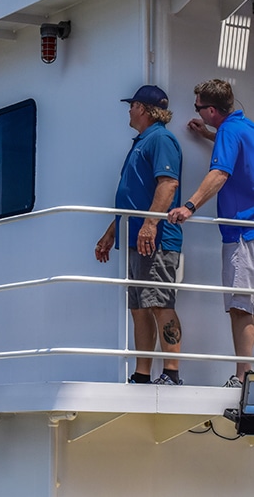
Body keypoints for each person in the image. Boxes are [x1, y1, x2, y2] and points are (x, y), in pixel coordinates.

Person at [95, 85, 184, 385]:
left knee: (160, 303)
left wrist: (151, 224)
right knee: (139, 307)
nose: (129, 111)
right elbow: (129, 196)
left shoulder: (160, 139)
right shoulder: (142, 141)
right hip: (136, 239)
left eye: (131, 105)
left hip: (155, 240)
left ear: (143, 109)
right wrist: (112, 233)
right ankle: (141, 374)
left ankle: (171, 373)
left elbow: (168, 185)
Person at [168, 79, 254, 388]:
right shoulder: (245, 128)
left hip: (242, 233)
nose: (198, 113)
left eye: (199, 109)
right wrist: (208, 136)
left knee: (241, 307)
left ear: (213, 110)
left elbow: (220, 173)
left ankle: (243, 377)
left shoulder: (229, 132)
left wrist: (189, 207)